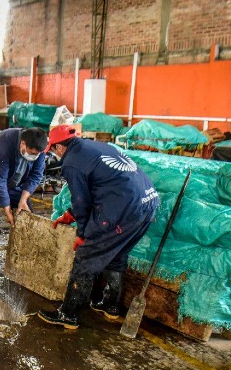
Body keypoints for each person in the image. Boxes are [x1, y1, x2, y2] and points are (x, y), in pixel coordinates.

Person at [38, 125, 160, 329]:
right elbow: (102, 186)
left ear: (59, 147)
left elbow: (82, 200)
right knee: (118, 254)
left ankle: (68, 315)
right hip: (148, 204)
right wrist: (71, 215)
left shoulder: (72, 163)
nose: (53, 153)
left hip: (123, 210)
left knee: (85, 258)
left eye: (52, 149)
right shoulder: (95, 147)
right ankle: (110, 305)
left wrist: (83, 234)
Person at [0, 127, 47, 274]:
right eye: (32, 153)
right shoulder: (4, 143)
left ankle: (23, 262)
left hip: (15, 182)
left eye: (37, 154)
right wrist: (6, 209)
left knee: (26, 214)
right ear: (23, 144)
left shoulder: (39, 149)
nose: (35, 156)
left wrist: (23, 198)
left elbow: (36, 175)